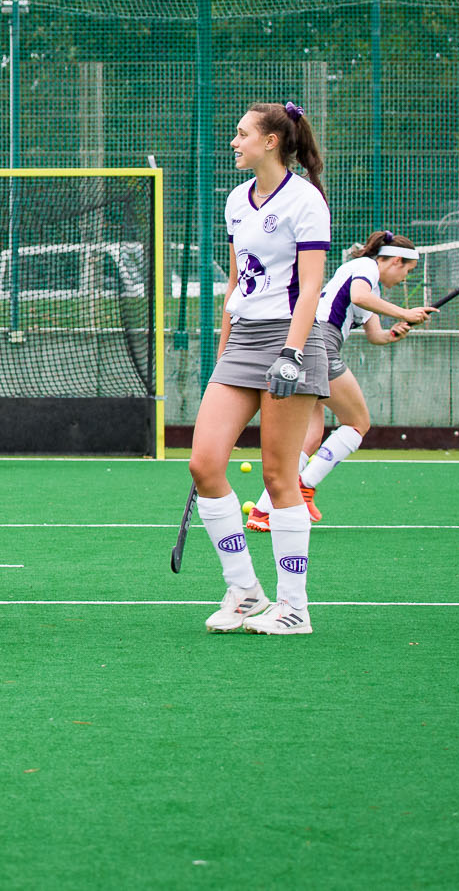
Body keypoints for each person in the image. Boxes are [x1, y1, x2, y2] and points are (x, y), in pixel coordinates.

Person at [189, 102, 331, 636]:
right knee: (204, 465)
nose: (234, 141)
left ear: (271, 141)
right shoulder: (236, 199)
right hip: (243, 339)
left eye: (242, 133)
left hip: (290, 337)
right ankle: (246, 591)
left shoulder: (306, 200)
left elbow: (311, 286)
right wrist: (224, 350)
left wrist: (292, 354)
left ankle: (294, 608)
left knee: (278, 476)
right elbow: (236, 282)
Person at [245, 230, 434, 531]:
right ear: (396, 261)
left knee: (310, 437)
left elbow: (376, 336)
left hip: (309, 341)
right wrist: (405, 311)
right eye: (407, 271)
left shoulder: (368, 281)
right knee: (358, 423)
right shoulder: (365, 267)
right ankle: (305, 486)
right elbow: (359, 297)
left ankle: (262, 511)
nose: (404, 279)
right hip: (319, 342)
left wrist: (396, 330)